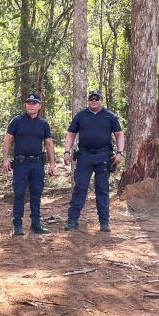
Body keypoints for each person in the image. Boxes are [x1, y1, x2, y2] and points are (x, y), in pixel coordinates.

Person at [62, 90, 125, 231]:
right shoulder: (80, 116)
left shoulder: (110, 116)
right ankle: (72, 220)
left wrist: (120, 152)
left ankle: (104, 222)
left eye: (96, 98)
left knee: (102, 189)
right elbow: (71, 134)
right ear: (88, 101)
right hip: (84, 156)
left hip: (104, 156)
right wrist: (67, 151)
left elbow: (119, 134)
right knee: (80, 187)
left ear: (101, 100)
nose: (94, 101)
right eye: (91, 99)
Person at [2, 92, 57, 235]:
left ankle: (36, 224)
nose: (31, 105)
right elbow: (7, 140)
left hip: (37, 164)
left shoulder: (43, 124)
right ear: (25, 105)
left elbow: (49, 143)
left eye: (34, 103)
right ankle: (17, 225)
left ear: (39, 106)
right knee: (19, 194)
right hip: (21, 164)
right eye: (28, 103)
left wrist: (52, 164)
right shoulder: (17, 121)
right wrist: (5, 159)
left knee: (36, 194)